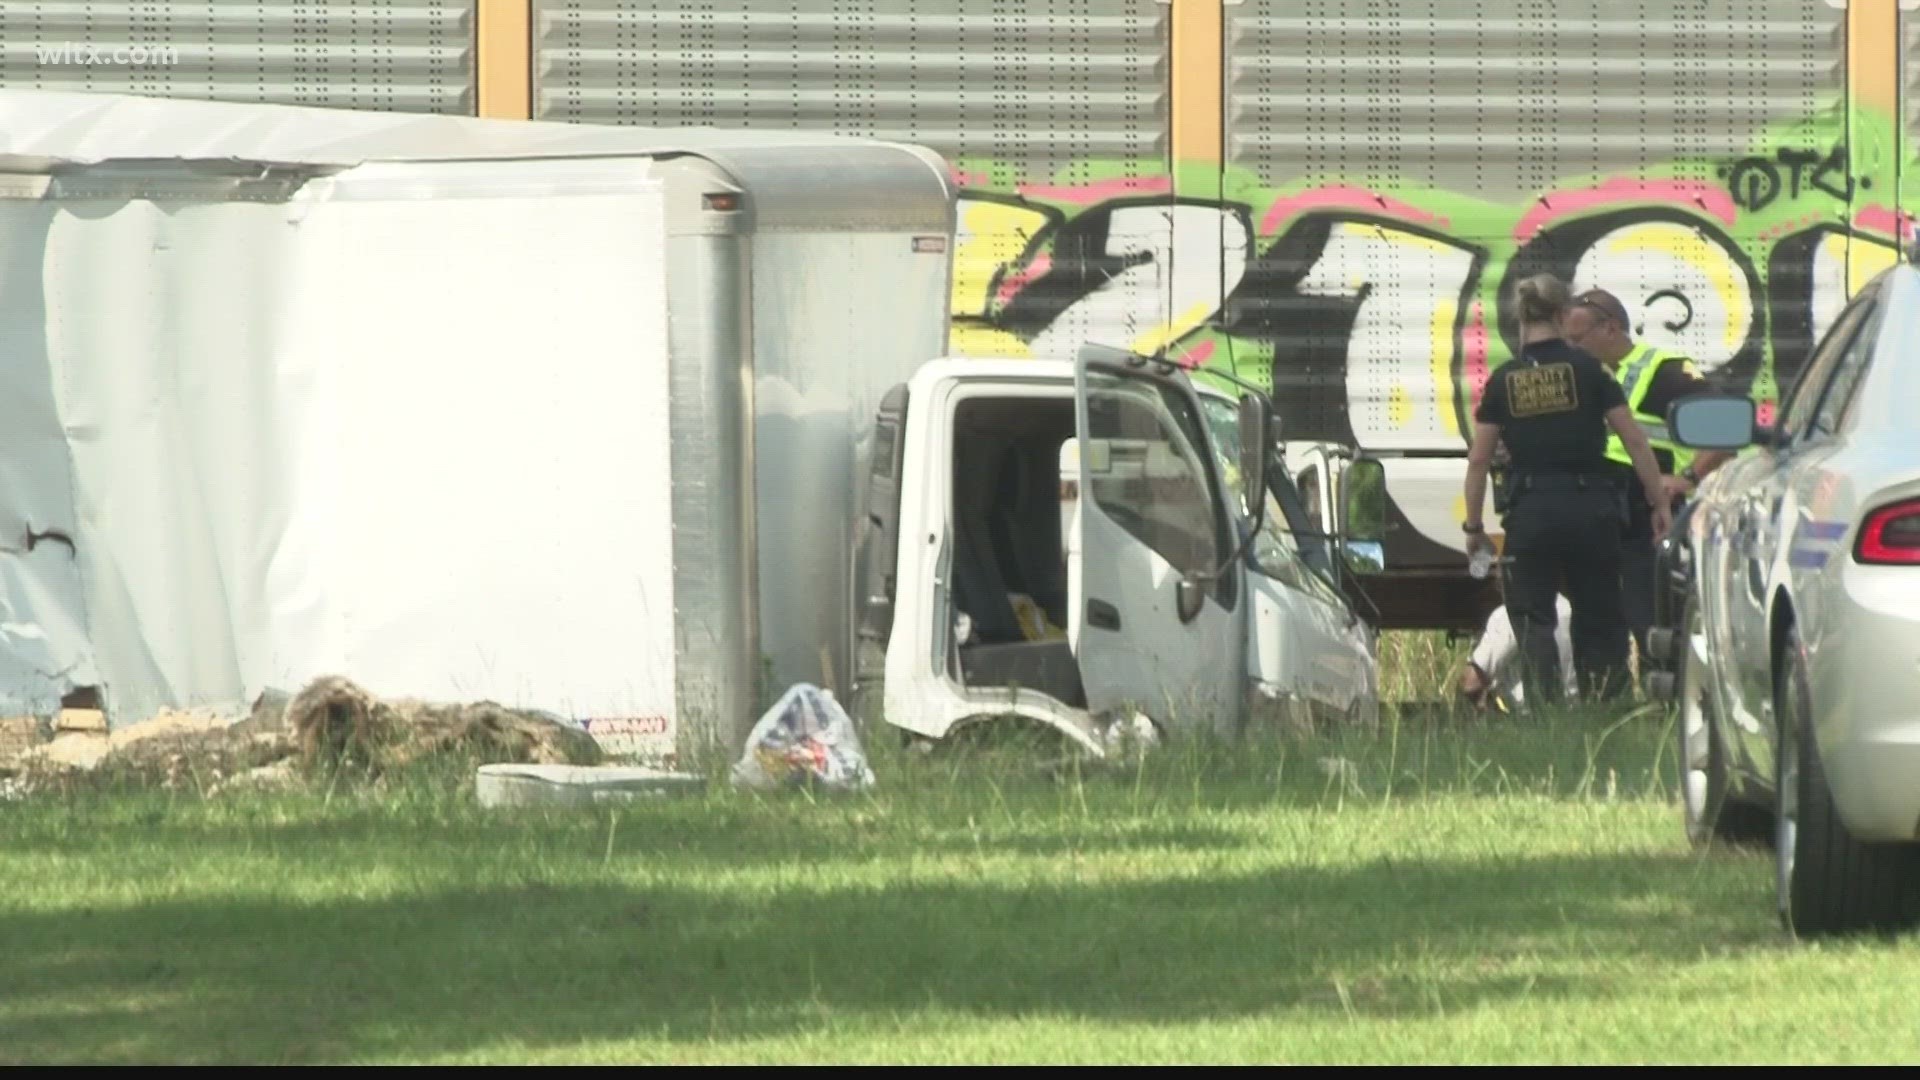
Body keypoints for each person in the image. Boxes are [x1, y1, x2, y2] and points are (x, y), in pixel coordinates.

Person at [1462, 273, 1670, 708]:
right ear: (1561, 316)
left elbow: (1480, 459)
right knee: (1599, 614)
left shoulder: (1504, 380)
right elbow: (1634, 440)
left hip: (1531, 514)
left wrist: (1474, 525)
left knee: (1533, 619)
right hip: (1592, 510)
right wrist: (1658, 501)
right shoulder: (1590, 370)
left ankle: (1545, 713)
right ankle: (1606, 705)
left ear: (1521, 318)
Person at [1561, 288, 1733, 667]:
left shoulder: (1663, 372)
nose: (1571, 349)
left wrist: (1686, 477)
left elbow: (1728, 431)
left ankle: (1668, 697)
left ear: (1610, 329)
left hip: (1651, 514)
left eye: (1577, 339)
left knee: (1649, 612)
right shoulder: (1586, 378)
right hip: (1604, 513)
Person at [1459, 595, 1576, 712]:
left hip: (1528, 714)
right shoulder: (1570, 609)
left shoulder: (1509, 615)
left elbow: (1472, 682)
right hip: (1575, 709)